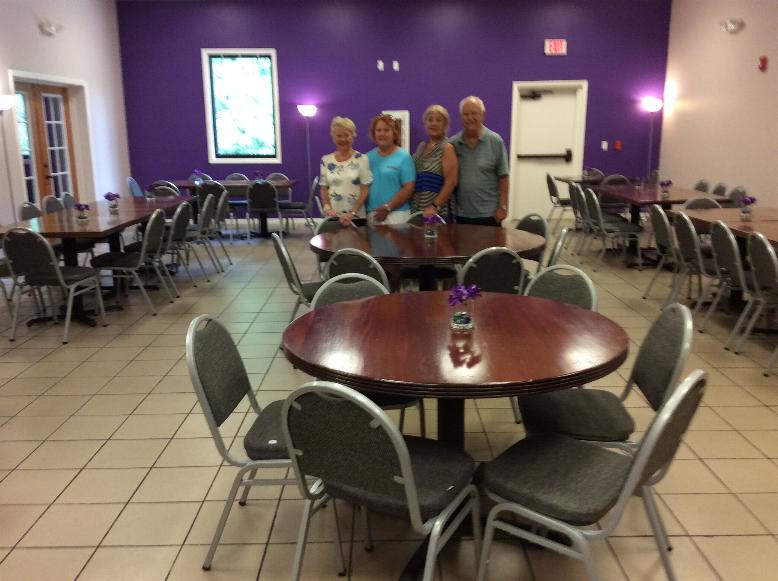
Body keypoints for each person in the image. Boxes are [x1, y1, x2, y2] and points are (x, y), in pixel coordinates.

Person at [449, 96, 509, 226]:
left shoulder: (495, 141)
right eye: (466, 114)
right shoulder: (453, 144)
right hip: (461, 215)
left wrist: (503, 206)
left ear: (483, 115)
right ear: (461, 117)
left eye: (474, 113)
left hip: (490, 215)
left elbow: (503, 177)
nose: (470, 117)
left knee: (489, 247)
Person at [319, 116, 372, 226]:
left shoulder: (362, 159)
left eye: (347, 135)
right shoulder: (326, 160)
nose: (343, 139)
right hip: (333, 216)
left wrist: (352, 213)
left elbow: (364, 190)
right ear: (333, 138)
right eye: (339, 136)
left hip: (356, 216)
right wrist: (327, 208)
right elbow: (324, 188)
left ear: (353, 136)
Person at [366, 114, 415, 225]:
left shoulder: (404, 157)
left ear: (395, 134)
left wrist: (388, 207)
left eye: (386, 130)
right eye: (378, 130)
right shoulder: (367, 157)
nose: (382, 134)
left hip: (397, 215)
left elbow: (408, 188)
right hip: (373, 215)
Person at [412, 105, 458, 218]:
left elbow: (451, 182)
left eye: (438, 120)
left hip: (438, 211)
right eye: (430, 120)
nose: (434, 123)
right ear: (425, 124)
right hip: (418, 208)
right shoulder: (421, 147)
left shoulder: (447, 148)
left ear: (445, 124)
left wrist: (434, 205)